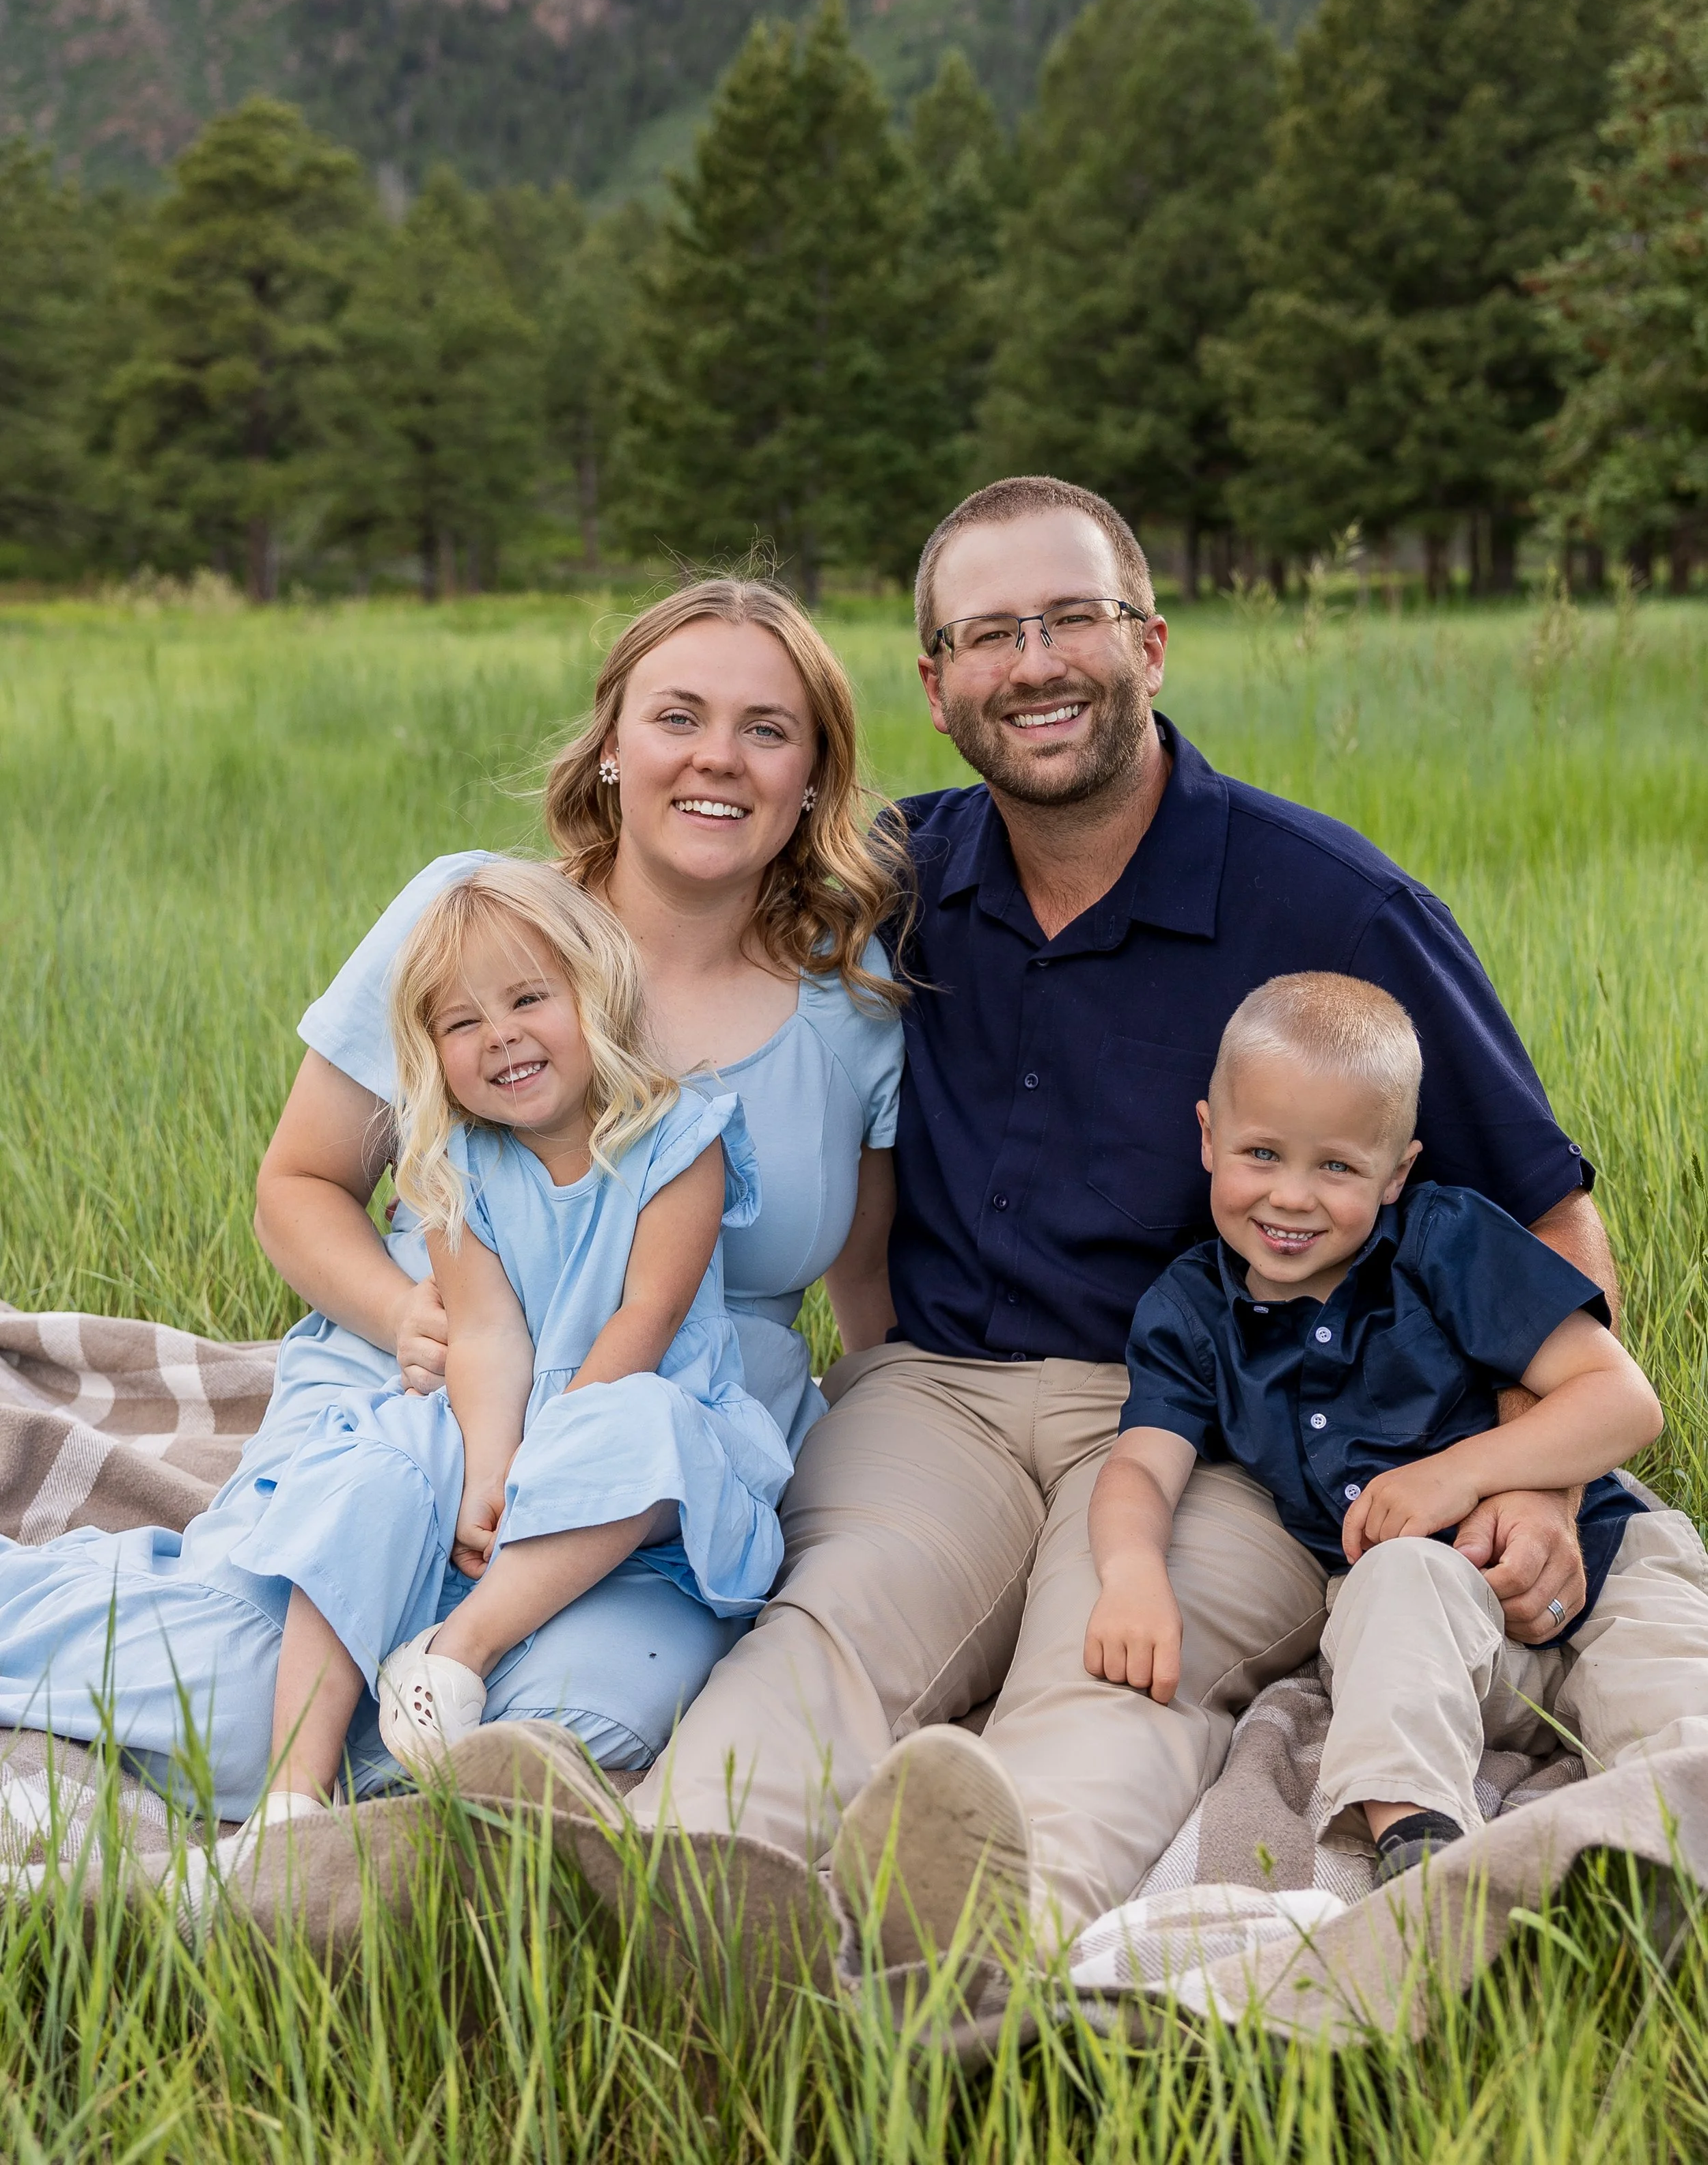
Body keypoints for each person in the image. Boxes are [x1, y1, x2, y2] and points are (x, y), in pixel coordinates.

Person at [606, 475, 1623, 1968]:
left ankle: (982, 1939)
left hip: (1219, 1415)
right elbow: (659, 899)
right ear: (937, 685)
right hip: (939, 1389)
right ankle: (678, 1894)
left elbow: (1550, 1218)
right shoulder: (890, 880)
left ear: (1147, 643)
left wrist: (1534, 1483)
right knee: (839, 1609)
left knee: (1124, 1662)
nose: (1033, 663)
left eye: (1070, 618)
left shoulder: (1335, 909)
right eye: (988, 633)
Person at [0, 581, 905, 1816]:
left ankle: (411, 1720)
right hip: (423, 1385)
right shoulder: (476, 918)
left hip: (656, 1461)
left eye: (767, 728)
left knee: (569, 1721)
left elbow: (868, 1282)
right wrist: (405, 1316)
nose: (717, 757)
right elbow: (300, 1184)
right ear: (612, 746)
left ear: (813, 775)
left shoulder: (851, 1001)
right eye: (678, 715)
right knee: (249, 1695)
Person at [1086, 971, 1708, 1887]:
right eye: (1262, 1153)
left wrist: (1460, 1473)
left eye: (1336, 1166)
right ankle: (1423, 1852)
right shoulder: (1191, 1312)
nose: (1292, 1196)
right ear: (1209, 1137)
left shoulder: (1443, 1242)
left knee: (1672, 1681)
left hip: (1605, 1559)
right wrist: (1133, 1572)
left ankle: (1667, 1861)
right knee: (1392, 1586)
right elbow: (1141, 1466)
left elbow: (1622, 1399)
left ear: (1396, 1171)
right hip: (1427, 1628)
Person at [230, 860, 790, 1851]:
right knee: (374, 1460)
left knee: (641, 1432)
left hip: (635, 1400)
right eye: (462, 1023)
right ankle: (289, 1798)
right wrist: (490, 1474)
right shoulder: (454, 1165)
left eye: (529, 999)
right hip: (508, 1410)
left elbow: (647, 1317)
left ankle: (455, 1654)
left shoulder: (679, 1140)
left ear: (595, 994)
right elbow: (487, 1333)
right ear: (429, 1053)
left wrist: (545, 1472)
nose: (501, 1036)